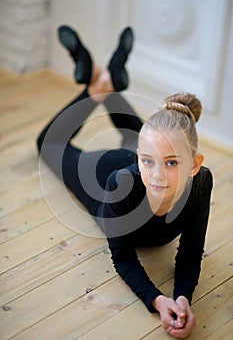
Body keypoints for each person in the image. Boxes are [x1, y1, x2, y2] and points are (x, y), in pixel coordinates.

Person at [37, 25, 213, 338]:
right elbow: (122, 256)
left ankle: (110, 78)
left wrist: (183, 297)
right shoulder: (123, 184)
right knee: (48, 144)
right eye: (150, 162)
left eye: (172, 163)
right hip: (108, 170)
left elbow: (190, 251)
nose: (159, 176)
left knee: (152, 140)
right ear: (140, 161)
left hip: (139, 157)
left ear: (195, 166)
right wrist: (157, 301)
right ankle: (96, 89)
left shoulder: (201, 181)